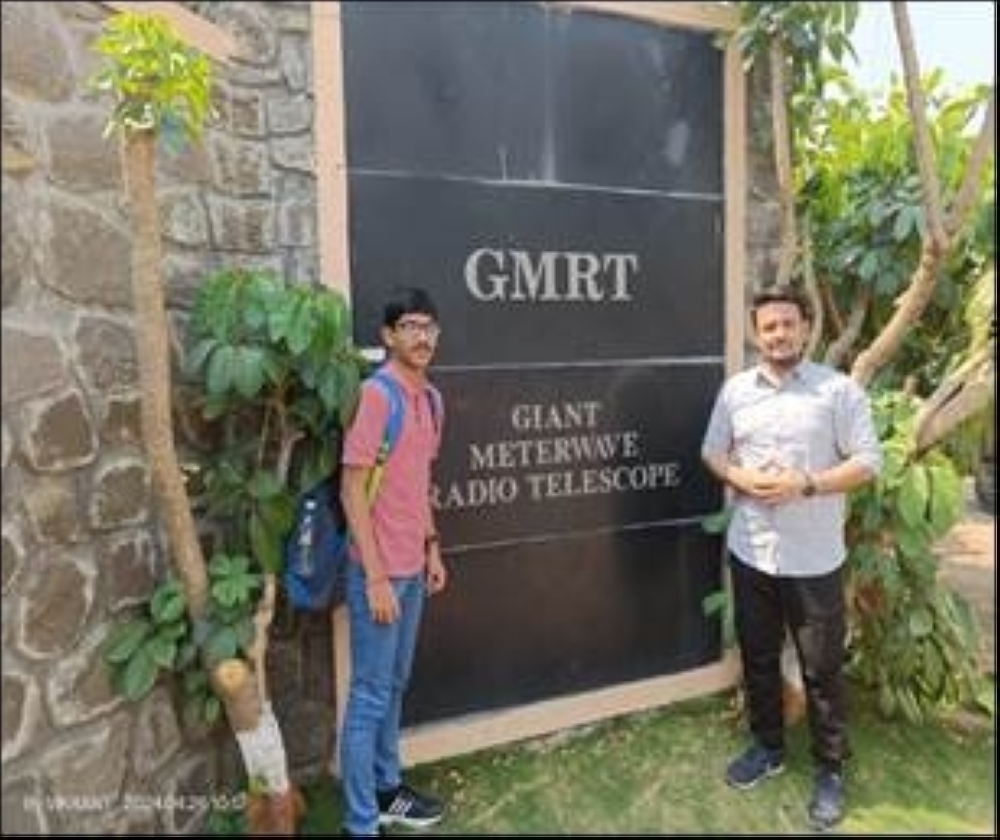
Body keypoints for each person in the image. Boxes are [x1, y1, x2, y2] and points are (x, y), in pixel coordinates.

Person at [701, 285, 881, 831]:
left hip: (813, 558)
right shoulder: (736, 392)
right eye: (769, 326)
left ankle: (829, 770)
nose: (778, 334)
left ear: (806, 327)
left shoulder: (839, 392)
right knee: (757, 658)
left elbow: (869, 462)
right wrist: (737, 475)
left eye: (787, 324)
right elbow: (712, 451)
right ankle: (768, 747)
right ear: (757, 333)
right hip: (751, 552)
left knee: (822, 670)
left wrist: (807, 483)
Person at [339, 287, 448, 837]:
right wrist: (376, 576)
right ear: (388, 337)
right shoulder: (378, 396)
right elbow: (351, 489)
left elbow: (418, 483)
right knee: (368, 696)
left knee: (395, 684)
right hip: (377, 574)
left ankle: (387, 789)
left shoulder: (430, 400)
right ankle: (360, 822)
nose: (422, 336)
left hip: (412, 568)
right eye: (410, 326)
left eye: (429, 326)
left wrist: (432, 547)